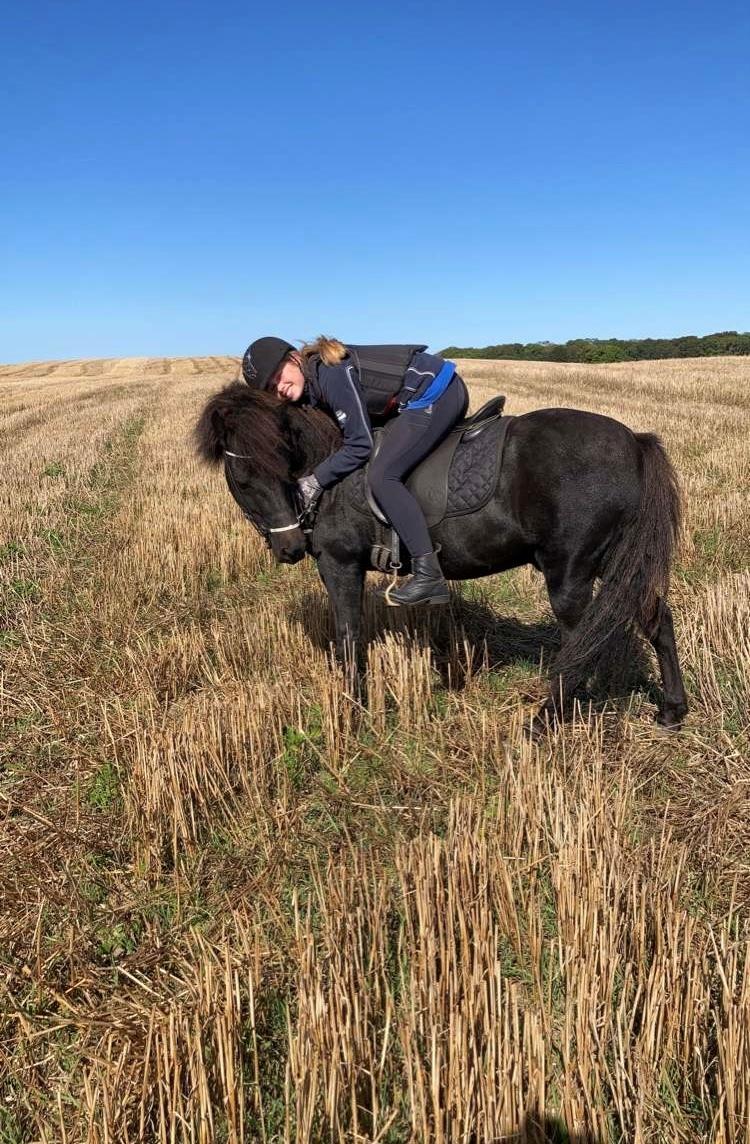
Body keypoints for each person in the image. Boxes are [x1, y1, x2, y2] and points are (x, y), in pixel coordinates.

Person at [241, 335, 469, 606]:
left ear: (293, 359)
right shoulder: (312, 383)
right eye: (271, 387)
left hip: (436, 392)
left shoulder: (331, 375)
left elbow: (360, 444)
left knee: (383, 476)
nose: (280, 387)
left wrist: (316, 480)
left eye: (278, 376)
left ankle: (429, 575)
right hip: (414, 399)